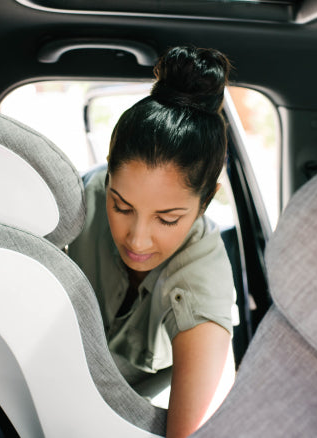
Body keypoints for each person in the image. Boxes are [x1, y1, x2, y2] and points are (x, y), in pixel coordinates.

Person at [67, 46, 236, 438]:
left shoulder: (204, 277)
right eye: (121, 206)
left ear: (205, 201)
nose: (137, 239)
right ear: (107, 178)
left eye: (167, 218)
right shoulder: (74, 203)